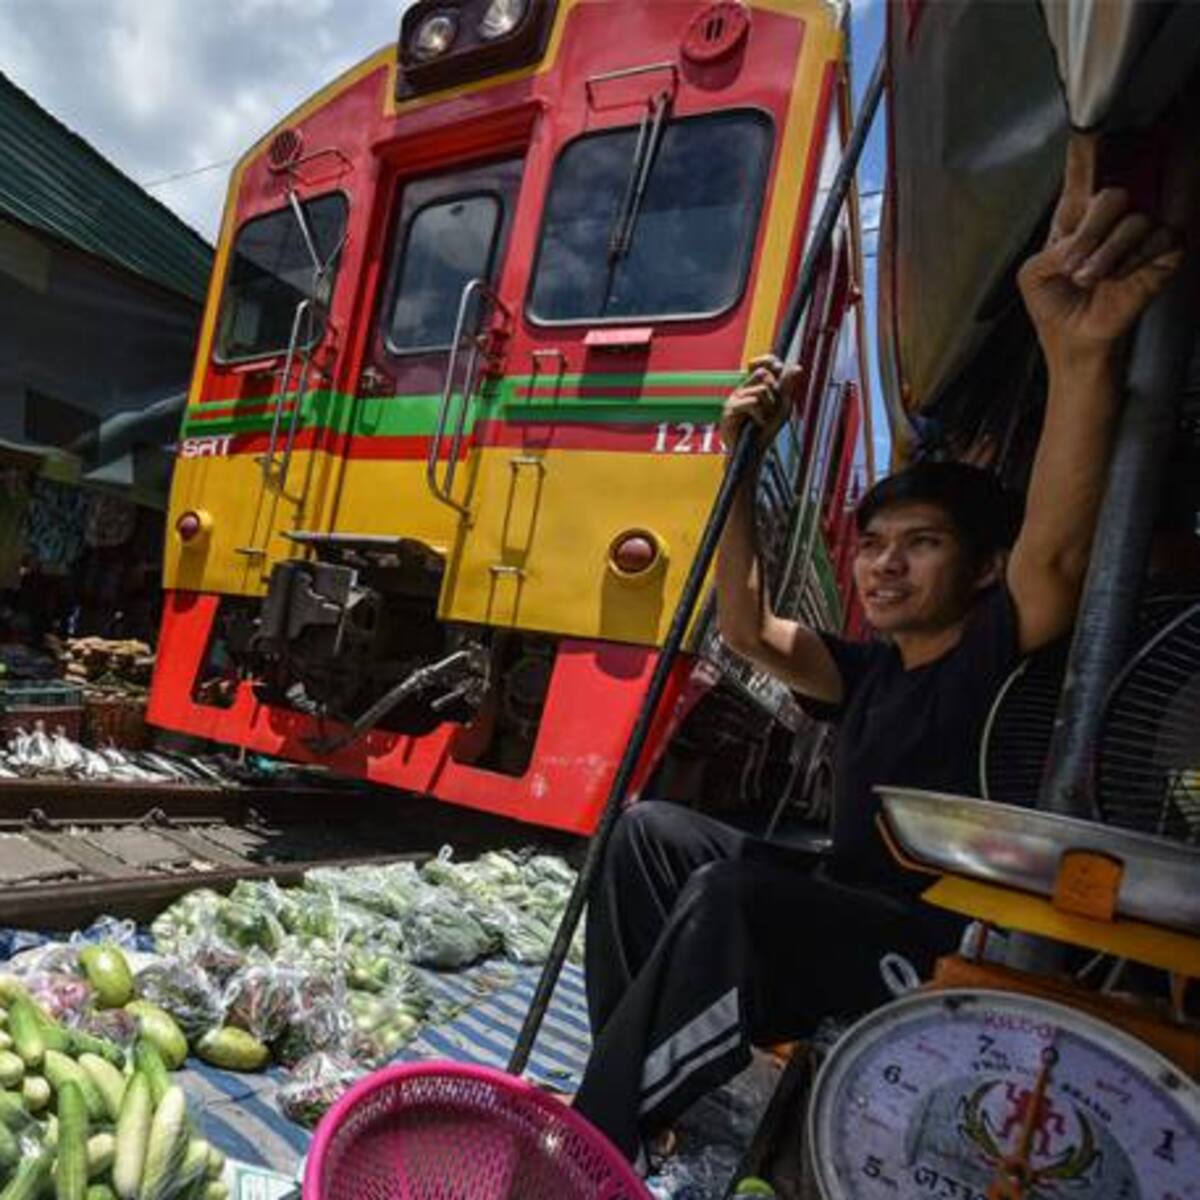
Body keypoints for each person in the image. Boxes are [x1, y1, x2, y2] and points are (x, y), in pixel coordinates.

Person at [572, 135, 1184, 1165]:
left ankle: (600, 1139)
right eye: (874, 549)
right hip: (842, 905)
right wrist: (744, 460)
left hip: (923, 943)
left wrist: (1080, 355)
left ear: (982, 567)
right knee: (647, 834)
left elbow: (1065, 551)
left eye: (923, 546)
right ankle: (646, 1092)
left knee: (732, 895)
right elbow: (747, 630)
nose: (884, 569)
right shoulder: (868, 668)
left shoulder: (1001, 648)